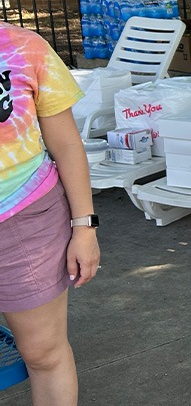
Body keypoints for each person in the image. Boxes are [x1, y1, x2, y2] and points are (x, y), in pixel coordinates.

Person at [0, 23, 101, 405]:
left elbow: (67, 146)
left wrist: (84, 228)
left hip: (24, 220)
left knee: (43, 352)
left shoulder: (25, 47)